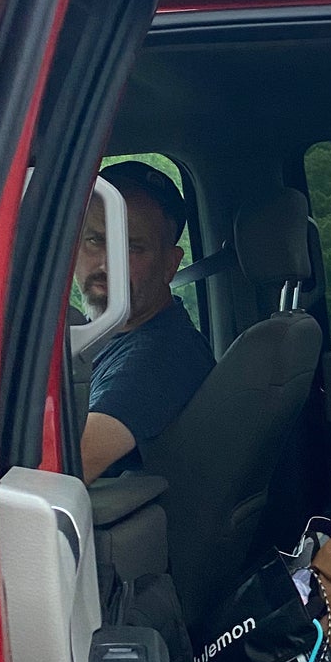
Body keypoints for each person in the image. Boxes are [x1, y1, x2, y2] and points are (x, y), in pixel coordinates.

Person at [75, 160, 214, 482]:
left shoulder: (163, 355)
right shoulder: (110, 337)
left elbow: (72, 464)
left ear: (170, 264)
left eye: (132, 247)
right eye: (95, 240)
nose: (106, 265)